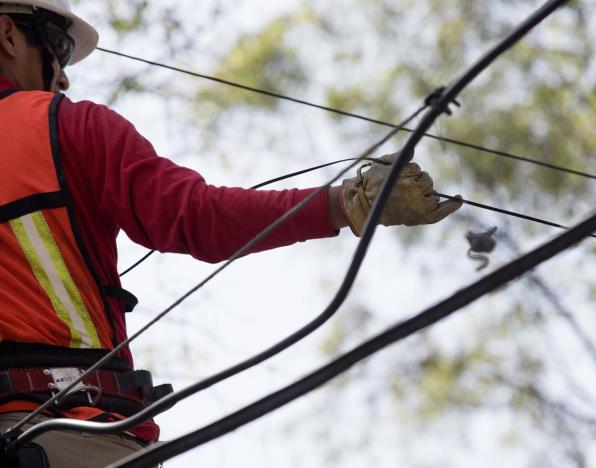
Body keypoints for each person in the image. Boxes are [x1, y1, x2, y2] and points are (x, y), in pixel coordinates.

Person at [0, 1, 462, 466]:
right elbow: (198, 218)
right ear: (7, 33)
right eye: (57, 47)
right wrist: (347, 203)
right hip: (60, 436)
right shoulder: (62, 124)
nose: (63, 76)